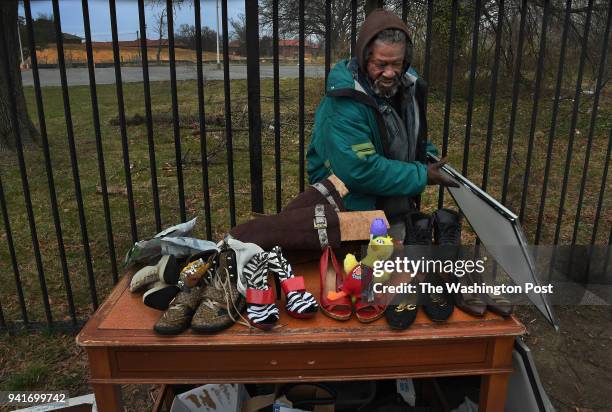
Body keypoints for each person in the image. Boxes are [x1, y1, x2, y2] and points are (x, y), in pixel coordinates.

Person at [306, 9, 459, 243]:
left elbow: (405, 131)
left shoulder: (407, 85)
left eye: (396, 63)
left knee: (402, 272)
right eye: (380, 64)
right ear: (365, 57)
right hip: (353, 211)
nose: (389, 73)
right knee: (365, 274)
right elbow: (359, 169)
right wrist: (421, 174)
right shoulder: (343, 101)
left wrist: (425, 154)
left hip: (393, 205)